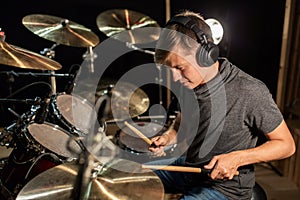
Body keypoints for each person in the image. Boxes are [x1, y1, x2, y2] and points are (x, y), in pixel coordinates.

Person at [148, 10, 296, 200]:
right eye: (170, 69)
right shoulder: (188, 83)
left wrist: (237, 158)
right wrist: (169, 137)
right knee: (131, 177)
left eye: (179, 68)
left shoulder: (248, 90)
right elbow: (181, 123)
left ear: (205, 55)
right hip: (192, 169)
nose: (175, 77)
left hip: (226, 188)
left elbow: (286, 145)